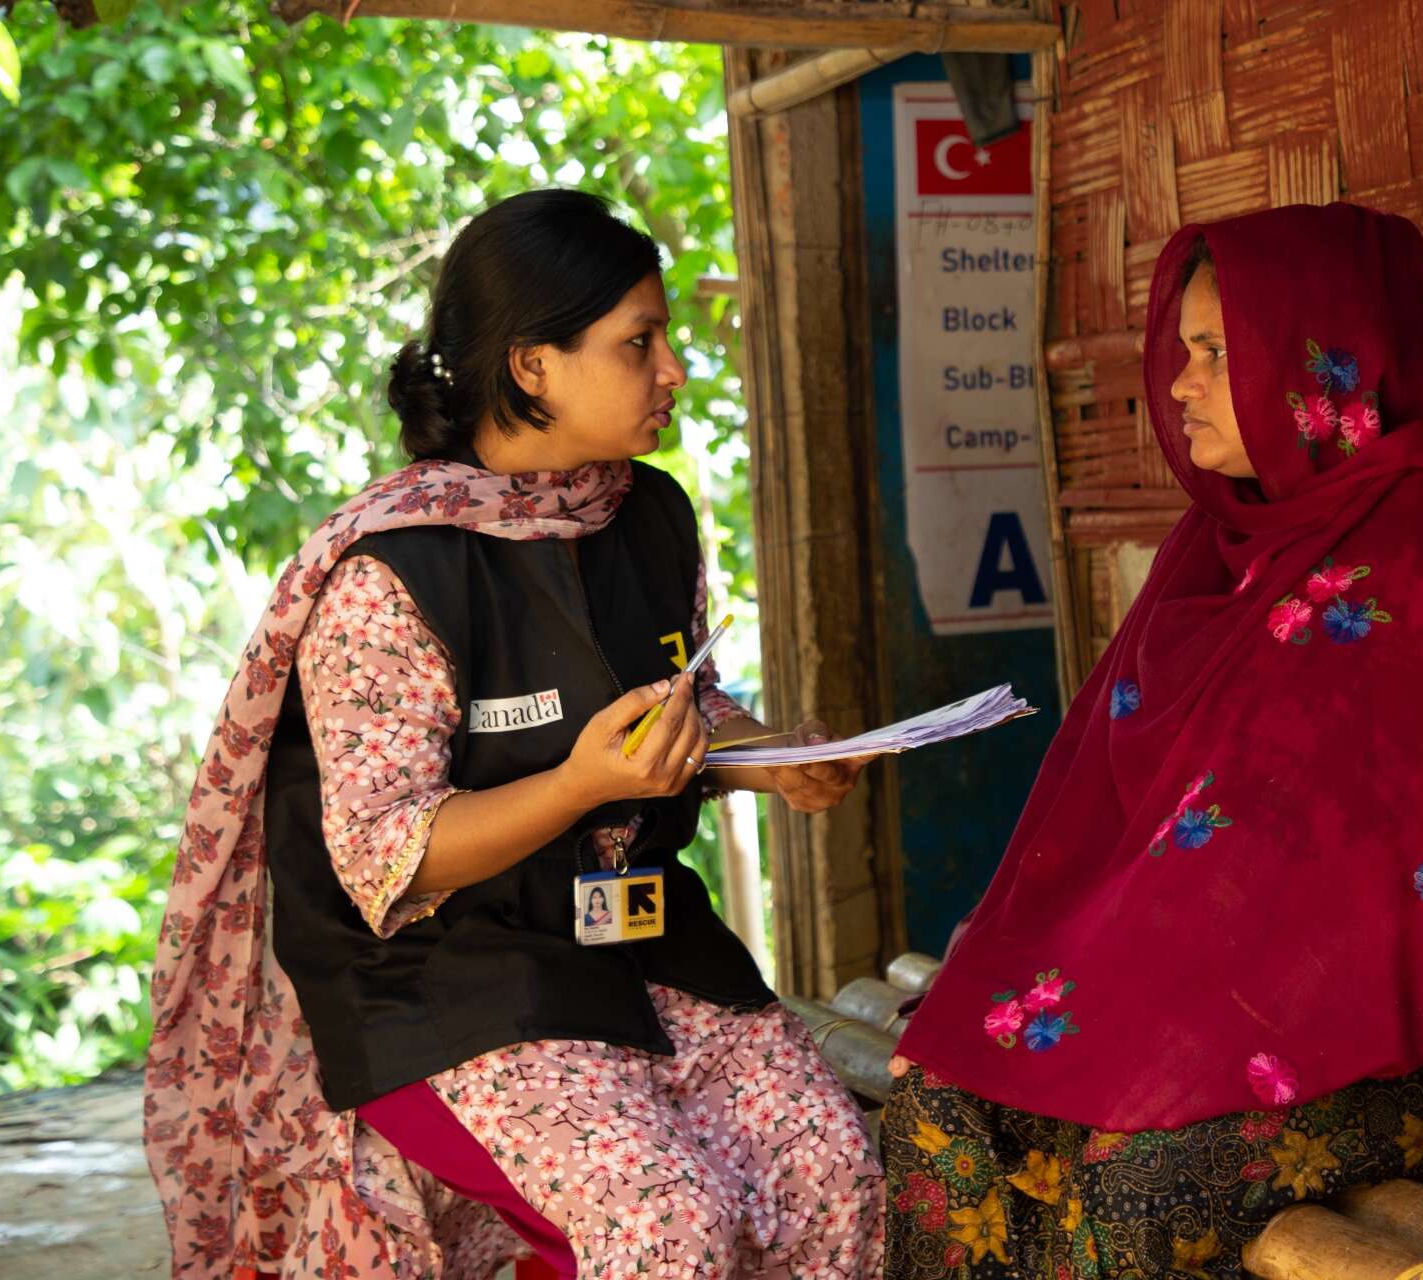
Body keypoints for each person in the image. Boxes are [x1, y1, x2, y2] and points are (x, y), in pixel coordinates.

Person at [881, 203, 1423, 1278]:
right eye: (1182, 351)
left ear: (1326, 361)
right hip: (1225, 976)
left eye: (1214, 353)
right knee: (939, 1103)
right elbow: (1144, 838)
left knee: (1138, 1177)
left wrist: (1171, 1036)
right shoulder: (1218, 545)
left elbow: (1383, 886)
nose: (1180, 383)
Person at [144, 189, 884, 1279]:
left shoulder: (647, 513)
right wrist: (583, 783)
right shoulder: (394, 571)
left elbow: (684, 695)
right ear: (532, 365)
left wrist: (770, 755)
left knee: (833, 1171)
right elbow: (389, 851)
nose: (674, 369)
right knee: (662, 1225)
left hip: (632, 934)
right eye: (639, 343)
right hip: (444, 977)